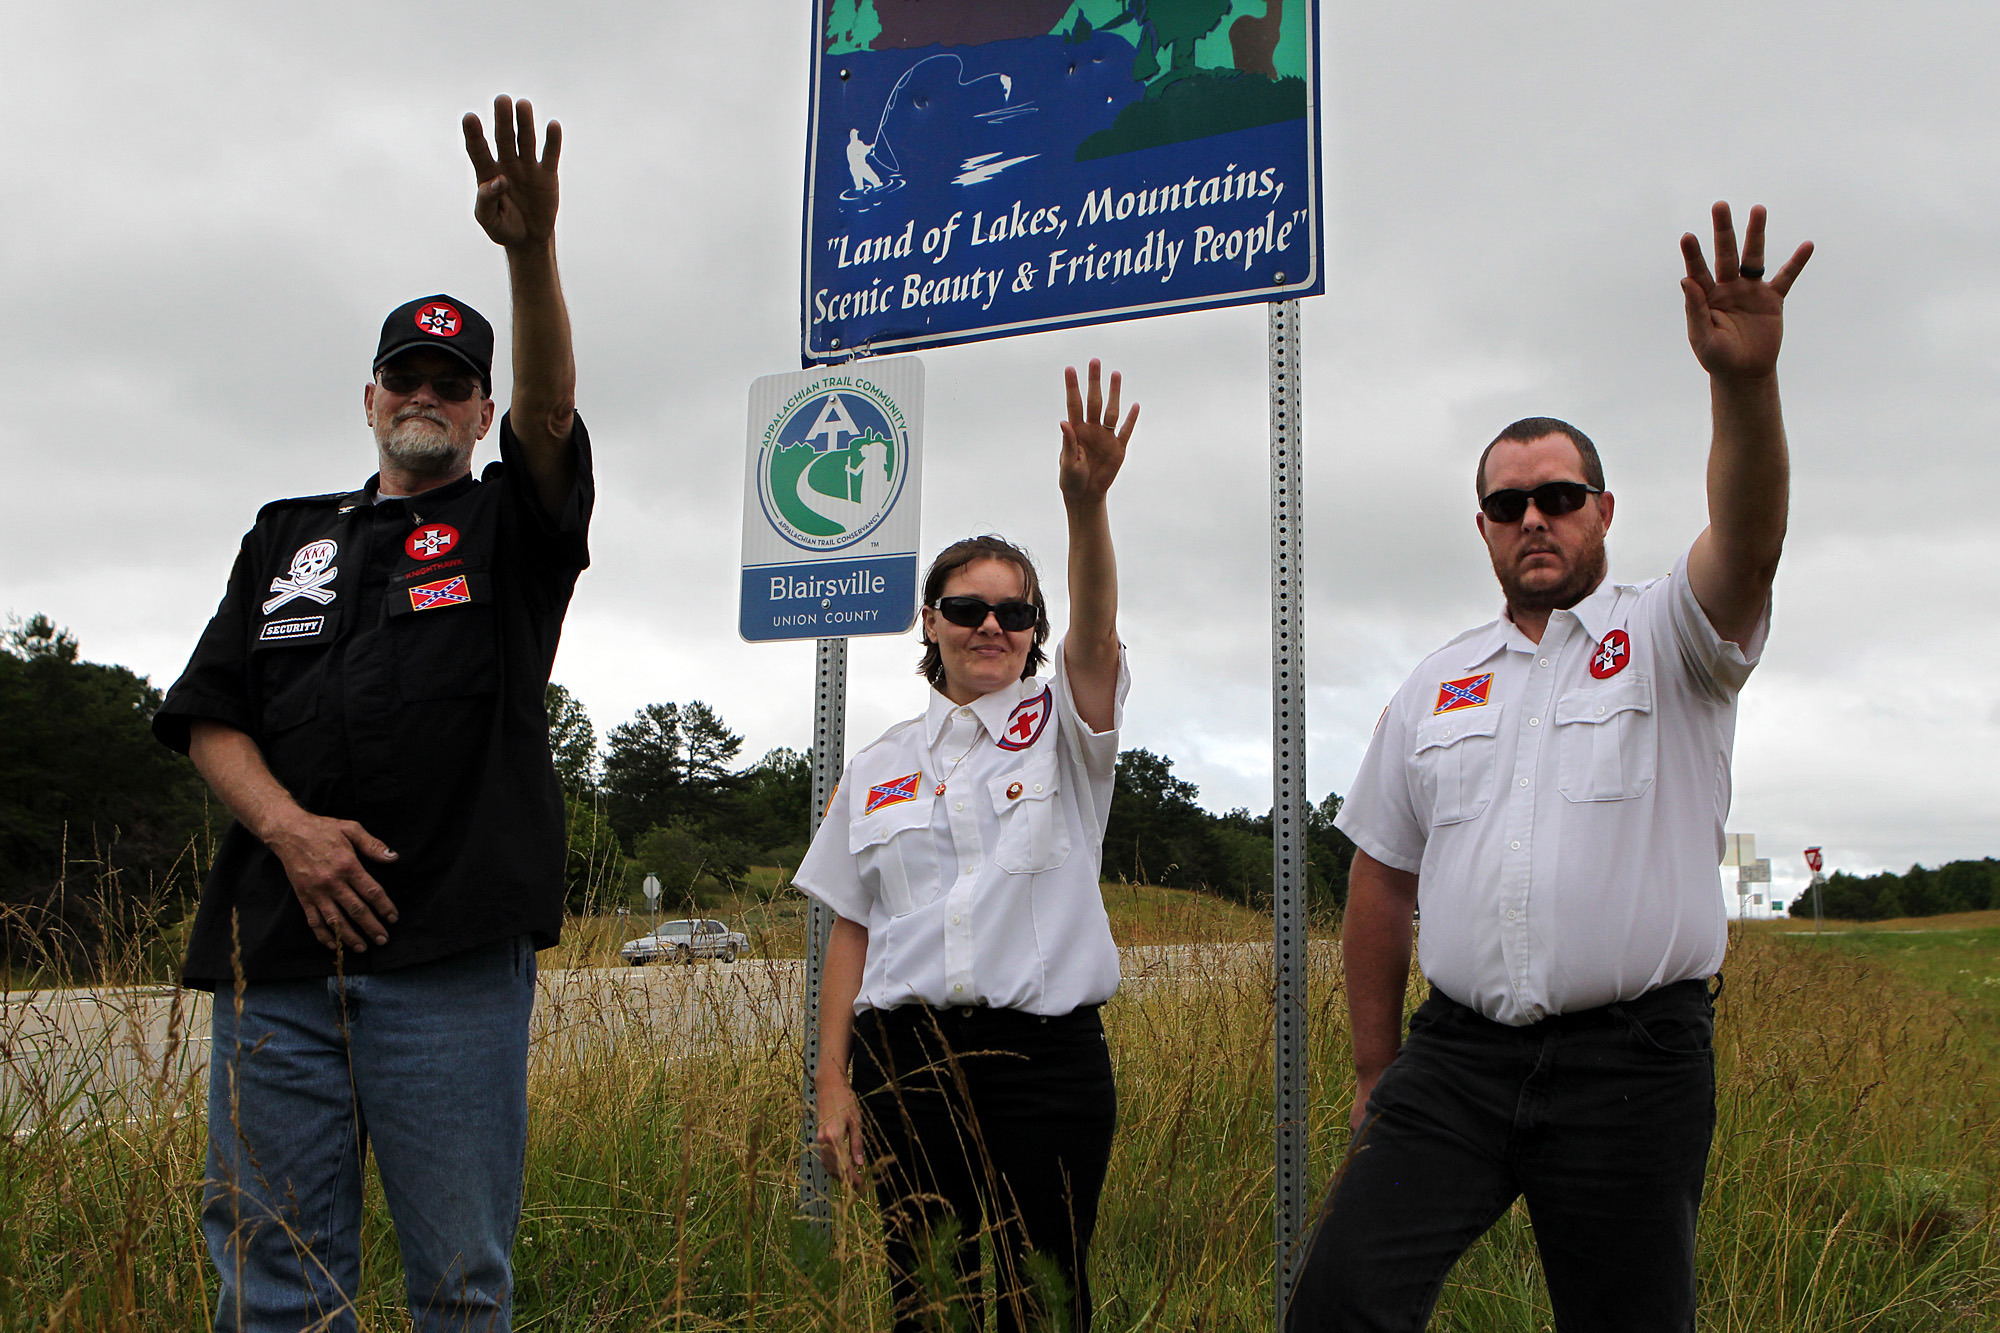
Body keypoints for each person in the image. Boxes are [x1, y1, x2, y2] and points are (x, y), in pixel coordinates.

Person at [1286, 202, 1813, 1332]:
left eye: (1559, 498)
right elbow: (1380, 874)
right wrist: (1375, 1070)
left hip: (1632, 1060)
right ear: (1481, 526)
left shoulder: (1671, 635)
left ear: (1602, 512)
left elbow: (1750, 539)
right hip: (1456, 1060)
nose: (1534, 518)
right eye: (1507, 503)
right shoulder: (1434, 685)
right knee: (1338, 1303)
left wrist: (1744, 385)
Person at [152, 96, 588, 1333]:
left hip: (449, 965)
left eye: (455, 384)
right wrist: (289, 831)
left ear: (480, 412)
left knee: (458, 1282)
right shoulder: (285, 537)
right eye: (408, 375)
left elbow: (552, 417)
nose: (428, 395)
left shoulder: (508, 528)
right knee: (275, 1276)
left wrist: (531, 251)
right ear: (369, 396)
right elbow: (211, 715)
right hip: (276, 968)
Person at [798, 360, 1137, 1333]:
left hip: (1045, 1067)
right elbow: (852, 927)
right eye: (966, 607)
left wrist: (1085, 507)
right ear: (929, 621)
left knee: (1041, 1302)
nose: (990, 625)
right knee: (928, 1301)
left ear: (1033, 631)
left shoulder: (1065, 727)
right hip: (906, 1065)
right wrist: (831, 1080)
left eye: (1014, 612)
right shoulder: (878, 765)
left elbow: (1096, 632)